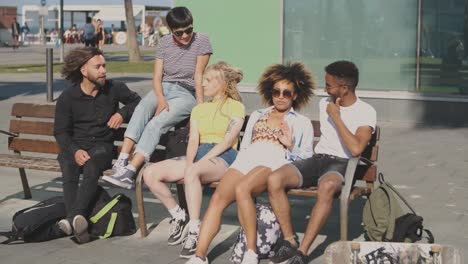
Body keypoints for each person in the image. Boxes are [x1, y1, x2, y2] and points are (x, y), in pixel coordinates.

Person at [186, 62, 316, 264]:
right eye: (276, 91)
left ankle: (251, 251)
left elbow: (306, 158)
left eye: (286, 93)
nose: (280, 96)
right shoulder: (258, 115)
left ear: (295, 95)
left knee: (243, 189)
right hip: (247, 159)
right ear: (270, 92)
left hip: (274, 161)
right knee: (218, 199)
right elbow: (245, 146)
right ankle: (199, 255)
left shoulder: (301, 122)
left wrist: (290, 145)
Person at [267, 61, 377, 264]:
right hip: (318, 160)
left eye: (328, 85)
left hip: (343, 163)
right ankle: (290, 241)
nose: (324, 89)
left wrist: (336, 117)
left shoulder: (366, 111)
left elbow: (355, 149)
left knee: (326, 186)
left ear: (343, 88)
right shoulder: (324, 103)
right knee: (274, 179)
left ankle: (302, 251)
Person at [102, 6, 212, 189]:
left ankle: (130, 171)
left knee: (156, 123)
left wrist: (200, 109)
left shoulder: (202, 41)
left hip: (186, 93)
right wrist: (160, 98)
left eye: (189, 30)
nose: (185, 35)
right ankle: (122, 160)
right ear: (171, 31)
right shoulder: (164, 43)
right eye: (179, 32)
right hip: (163, 88)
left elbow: (199, 75)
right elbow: (157, 76)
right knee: (143, 108)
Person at [143, 61, 245, 259]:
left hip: (224, 155)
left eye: (208, 80)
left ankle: (194, 229)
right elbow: (193, 141)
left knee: (193, 172)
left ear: (223, 83)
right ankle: (179, 216)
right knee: (150, 173)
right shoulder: (199, 110)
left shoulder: (236, 107)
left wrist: (197, 164)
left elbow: (228, 141)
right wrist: (190, 163)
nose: (203, 84)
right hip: (200, 153)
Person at [54, 47, 141, 243]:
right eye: (98, 67)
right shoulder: (68, 98)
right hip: (74, 146)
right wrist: (75, 151)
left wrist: (122, 113)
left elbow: (138, 103)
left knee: (92, 165)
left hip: (102, 146)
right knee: (69, 167)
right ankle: (77, 220)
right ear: (84, 71)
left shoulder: (114, 88)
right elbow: (60, 132)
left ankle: (72, 219)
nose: (103, 70)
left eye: (104, 66)